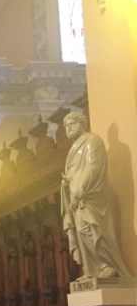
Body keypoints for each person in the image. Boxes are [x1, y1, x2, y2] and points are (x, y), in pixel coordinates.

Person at [60, 111, 131, 280]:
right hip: (78, 198)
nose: (68, 129)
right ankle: (92, 269)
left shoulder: (92, 140)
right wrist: (67, 183)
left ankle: (106, 264)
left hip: (90, 197)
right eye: (66, 126)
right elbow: (75, 172)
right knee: (81, 232)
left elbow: (93, 168)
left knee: (93, 229)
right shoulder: (74, 148)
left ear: (81, 124)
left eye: (71, 124)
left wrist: (78, 190)